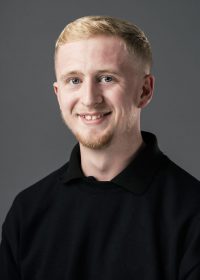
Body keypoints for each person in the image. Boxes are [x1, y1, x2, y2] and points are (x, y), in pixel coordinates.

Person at [0, 15, 200, 280]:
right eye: (74, 80)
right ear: (58, 94)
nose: (89, 98)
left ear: (144, 90)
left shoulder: (192, 211)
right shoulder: (27, 211)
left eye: (106, 78)